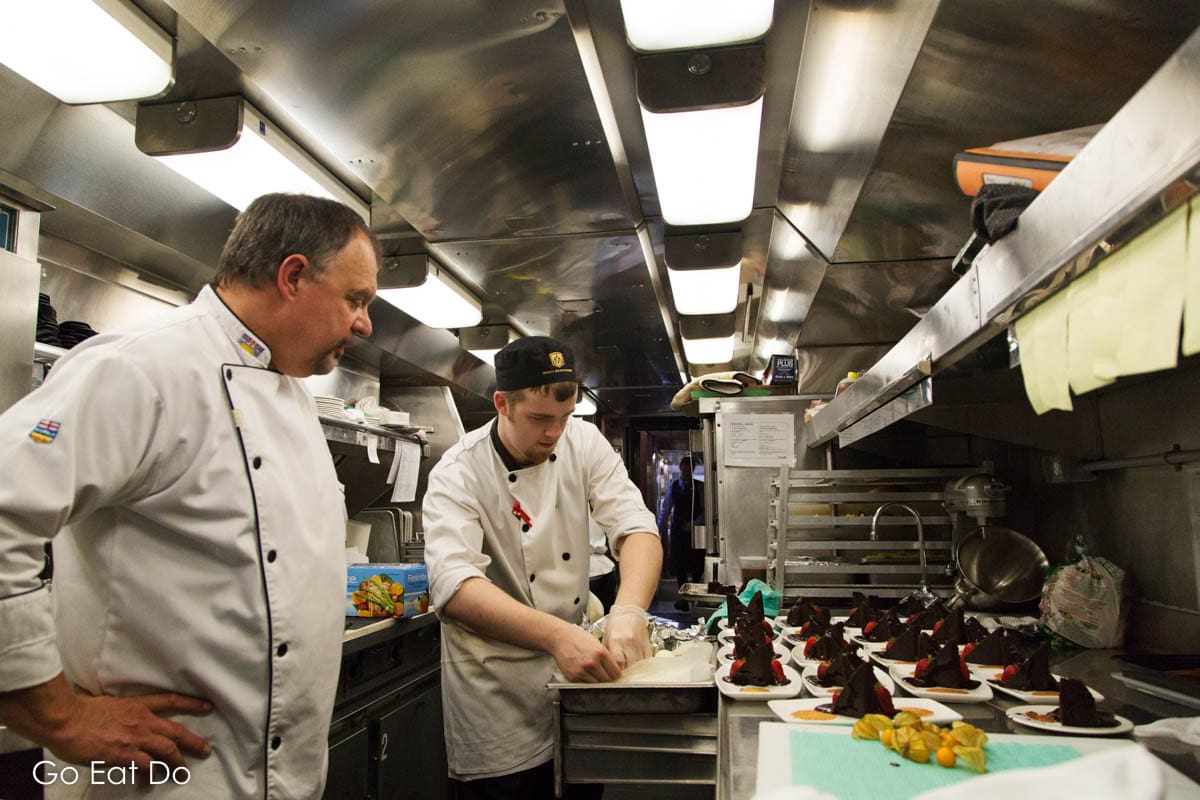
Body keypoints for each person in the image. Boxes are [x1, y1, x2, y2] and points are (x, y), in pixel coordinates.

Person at [0, 193, 379, 797]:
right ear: (293, 276)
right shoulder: (143, 368)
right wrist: (56, 718)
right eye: (356, 300)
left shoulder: (291, 393)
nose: (364, 324)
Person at [422, 336, 661, 799]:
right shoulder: (458, 473)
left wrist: (629, 610)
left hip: (576, 680)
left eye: (564, 418)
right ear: (501, 404)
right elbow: (456, 588)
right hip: (495, 689)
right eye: (539, 419)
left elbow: (637, 528)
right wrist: (556, 636)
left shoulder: (582, 441)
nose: (554, 433)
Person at [658, 456, 706, 611]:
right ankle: (683, 599)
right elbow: (666, 508)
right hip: (678, 531)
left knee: (697, 565)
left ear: (693, 469)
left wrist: (695, 524)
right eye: (684, 465)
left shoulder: (700, 486)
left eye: (689, 466)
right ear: (680, 467)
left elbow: (706, 509)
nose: (686, 469)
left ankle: (697, 598)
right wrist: (659, 528)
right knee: (680, 566)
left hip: (696, 531)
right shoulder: (674, 486)